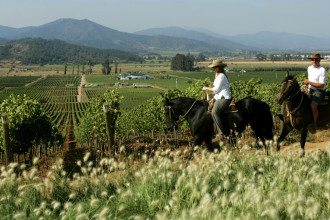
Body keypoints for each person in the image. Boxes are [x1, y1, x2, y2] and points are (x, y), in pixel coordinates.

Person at [202, 59, 232, 139]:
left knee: (214, 112)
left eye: (215, 67)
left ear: (219, 67)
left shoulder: (221, 76)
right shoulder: (218, 76)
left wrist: (205, 88)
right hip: (219, 97)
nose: (213, 69)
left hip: (224, 98)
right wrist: (214, 98)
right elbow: (218, 91)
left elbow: (216, 89)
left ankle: (221, 134)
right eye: (213, 67)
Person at [303, 53, 328, 133]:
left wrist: (309, 82)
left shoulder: (322, 70)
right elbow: (310, 80)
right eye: (313, 59)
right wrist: (306, 86)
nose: (314, 61)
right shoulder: (309, 68)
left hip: (319, 91)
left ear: (319, 60)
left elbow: (321, 85)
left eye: (316, 59)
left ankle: (314, 124)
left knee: (313, 106)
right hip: (310, 89)